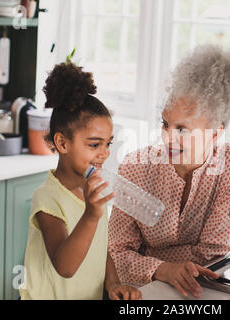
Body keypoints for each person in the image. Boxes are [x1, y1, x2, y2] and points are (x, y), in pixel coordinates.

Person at [108, 44, 230, 298]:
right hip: (141, 292)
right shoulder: (136, 167)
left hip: (201, 289)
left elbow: (214, 250)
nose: (168, 137)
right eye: (165, 124)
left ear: (215, 133)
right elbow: (116, 253)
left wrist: (148, 257)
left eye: (182, 129)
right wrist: (163, 268)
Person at [20, 62, 141, 300]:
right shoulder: (47, 198)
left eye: (108, 144)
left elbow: (99, 245)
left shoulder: (93, 190)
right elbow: (65, 267)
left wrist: (113, 283)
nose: (104, 153)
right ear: (63, 143)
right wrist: (91, 214)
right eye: (94, 144)